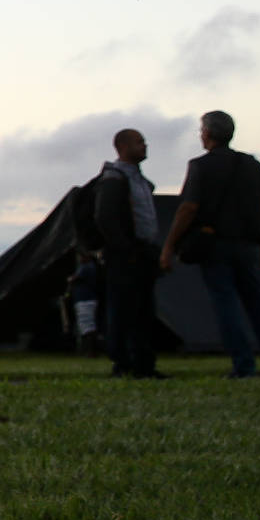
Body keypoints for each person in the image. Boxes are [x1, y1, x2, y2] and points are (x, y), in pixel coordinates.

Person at [161, 110, 260, 379]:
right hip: (248, 244)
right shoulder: (252, 165)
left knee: (226, 305)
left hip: (215, 245)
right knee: (258, 305)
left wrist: (170, 244)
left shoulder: (200, 166)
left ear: (207, 134)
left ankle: (244, 366)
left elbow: (188, 207)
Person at [94, 127, 164, 379]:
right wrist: (125, 248)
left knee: (144, 310)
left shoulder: (138, 180)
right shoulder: (114, 179)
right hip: (125, 256)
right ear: (122, 147)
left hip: (143, 252)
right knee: (124, 310)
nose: (145, 146)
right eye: (139, 142)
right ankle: (123, 363)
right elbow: (106, 218)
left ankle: (145, 364)